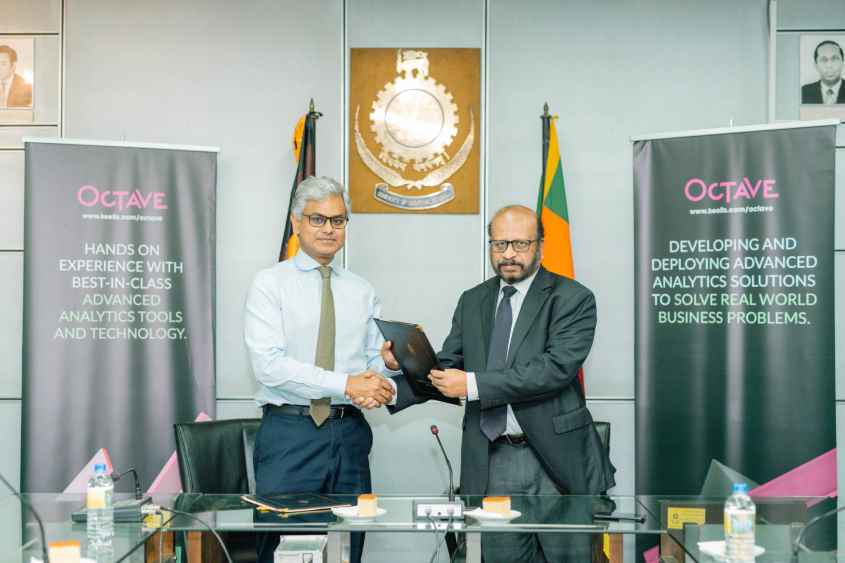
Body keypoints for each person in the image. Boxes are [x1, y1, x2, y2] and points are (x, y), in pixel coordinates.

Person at [380, 205, 615, 563]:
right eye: (499, 243)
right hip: (492, 459)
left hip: (555, 463)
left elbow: (554, 369)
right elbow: (449, 364)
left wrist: (472, 385)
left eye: (520, 244)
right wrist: (403, 371)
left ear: (540, 245)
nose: (508, 254)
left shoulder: (573, 298)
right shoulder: (473, 300)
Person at [244, 176, 395, 563]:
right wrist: (346, 383)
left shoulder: (362, 290)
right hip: (290, 435)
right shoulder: (269, 284)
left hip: (350, 435)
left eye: (339, 220)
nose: (329, 229)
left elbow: (368, 364)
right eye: (318, 219)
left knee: (348, 548)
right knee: (285, 551)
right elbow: (269, 367)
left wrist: (387, 369)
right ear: (296, 223)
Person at [801, 40, 845, 104]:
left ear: (843, 63)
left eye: (834, 59)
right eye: (823, 60)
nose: (829, 65)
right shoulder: (804, 92)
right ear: (816, 65)